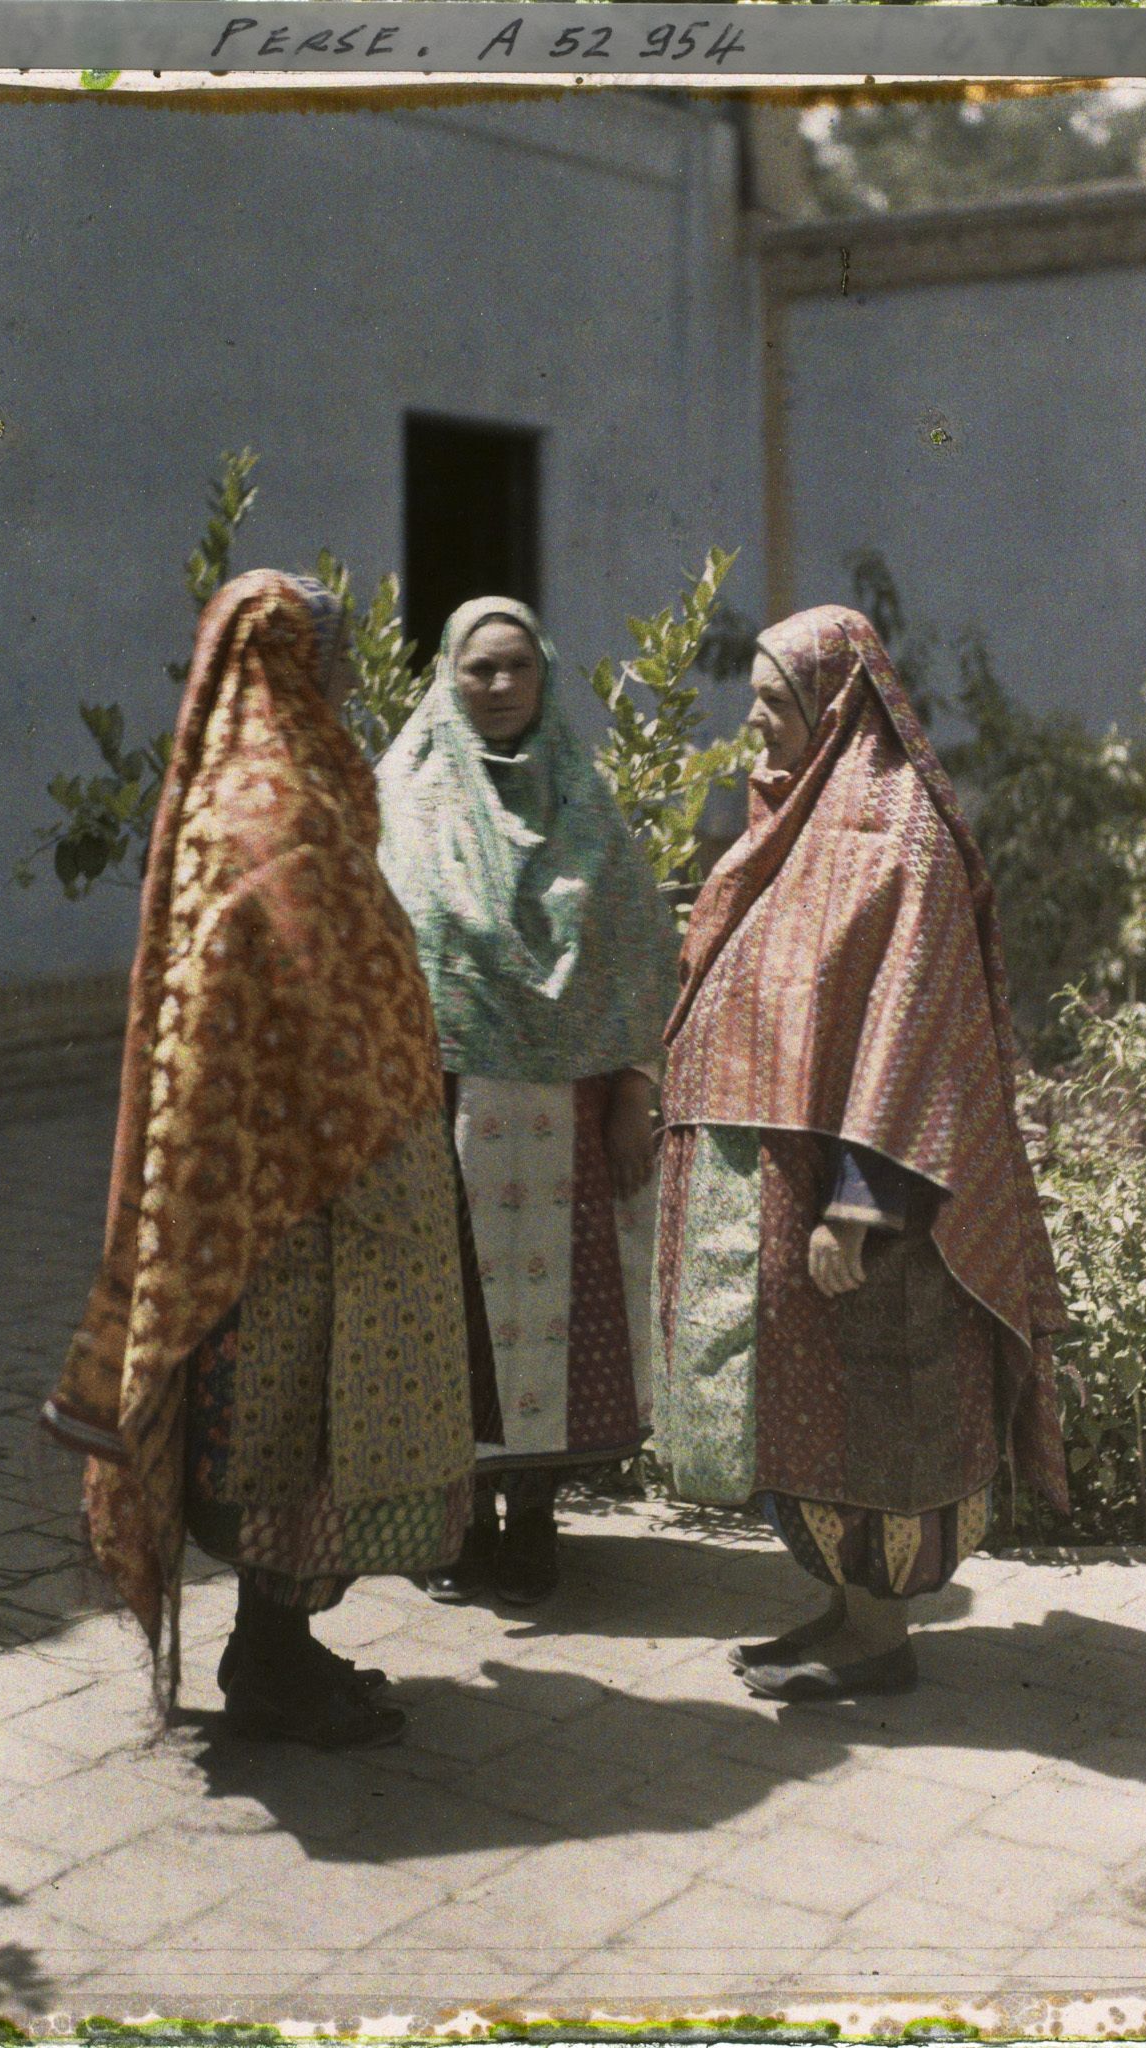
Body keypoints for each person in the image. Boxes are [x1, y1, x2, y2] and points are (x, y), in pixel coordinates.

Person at [42, 569, 485, 1749]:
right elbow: (309, 992)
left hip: (264, 1179)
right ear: (296, 661)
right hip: (301, 1188)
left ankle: (273, 1643)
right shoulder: (274, 805)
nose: (346, 677)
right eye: (332, 655)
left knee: (285, 1432)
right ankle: (271, 1662)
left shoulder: (241, 791)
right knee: (294, 1431)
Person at [655, 603, 1068, 1701]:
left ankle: (877, 1638)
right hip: (800, 1182)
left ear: (836, 708)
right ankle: (844, 1610)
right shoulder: (795, 823)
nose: (751, 721)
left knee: (872, 1413)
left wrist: (855, 1203)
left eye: (774, 701)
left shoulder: (900, 838)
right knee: (810, 1420)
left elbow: (914, 1033)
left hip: (873, 1203)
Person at [377, 597, 679, 1605]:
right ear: (449, 679)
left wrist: (635, 1093)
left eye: (516, 668)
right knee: (454, 1313)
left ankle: (534, 1519)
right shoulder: (405, 801)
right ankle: (455, 1516)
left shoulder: (584, 805)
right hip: (444, 1110)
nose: (499, 687)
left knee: (551, 1314)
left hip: (564, 1116)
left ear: (544, 674)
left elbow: (639, 951)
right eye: (479, 670)